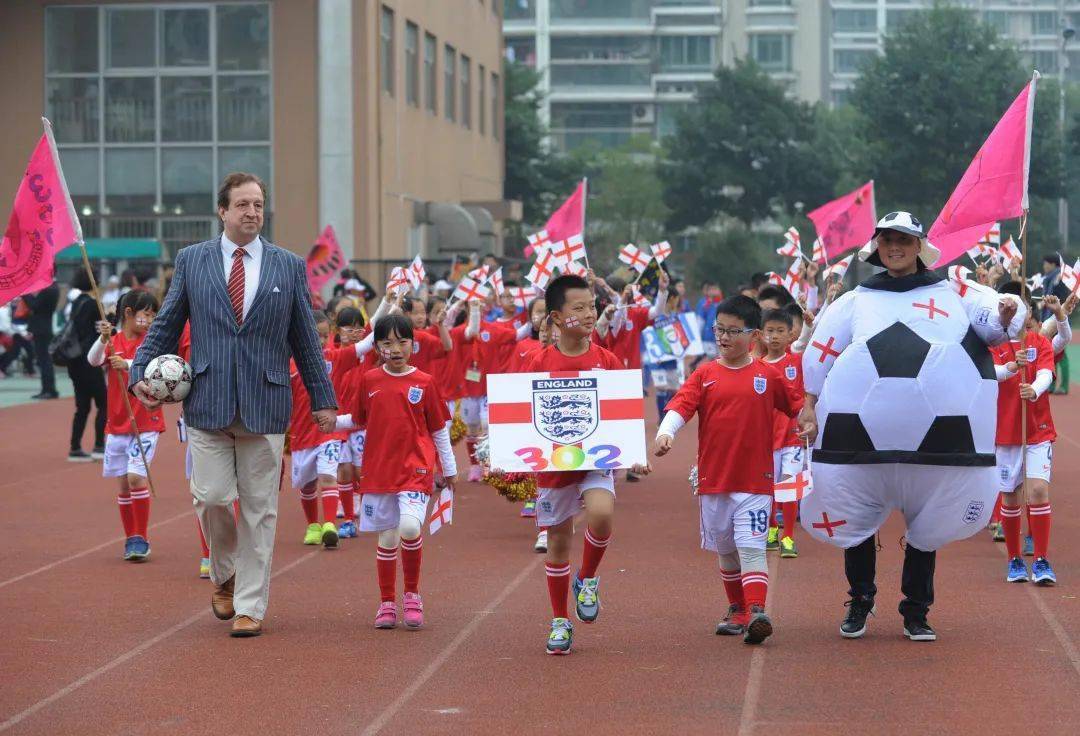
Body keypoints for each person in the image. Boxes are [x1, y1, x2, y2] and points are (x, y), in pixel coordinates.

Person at [799, 212, 1023, 642]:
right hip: (859, 447)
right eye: (887, 240)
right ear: (876, 247)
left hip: (941, 448)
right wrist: (809, 405)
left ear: (920, 245)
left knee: (928, 529)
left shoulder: (954, 291)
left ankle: (916, 610)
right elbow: (820, 351)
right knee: (854, 522)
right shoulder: (856, 299)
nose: (895, 247)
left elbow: (996, 325)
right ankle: (860, 600)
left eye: (904, 239)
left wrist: (1008, 313)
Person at [130, 172, 337, 638]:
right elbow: (165, 326)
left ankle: (249, 606)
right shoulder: (192, 261)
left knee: (260, 510)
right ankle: (224, 573)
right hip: (207, 401)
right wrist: (137, 375)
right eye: (242, 204)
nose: (252, 213)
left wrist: (323, 398)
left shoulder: (287, 265)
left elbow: (305, 338)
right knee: (212, 499)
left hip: (266, 405)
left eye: (259, 205)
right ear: (222, 211)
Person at [653, 296, 798, 645]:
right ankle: (737, 608)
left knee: (750, 547)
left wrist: (809, 421)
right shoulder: (705, 374)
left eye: (733, 331)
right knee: (726, 549)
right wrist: (665, 432)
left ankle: (757, 611)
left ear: (754, 336)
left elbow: (795, 406)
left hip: (755, 481)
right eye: (720, 329)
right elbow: (681, 405)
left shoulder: (768, 375)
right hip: (714, 480)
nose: (724, 336)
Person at [520, 274, 649, 655]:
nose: (589, 314)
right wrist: (508, 453)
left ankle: (588, 578)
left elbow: (621, 414)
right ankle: (560, 620)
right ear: (557, 317)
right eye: (579, 308)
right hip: (555, 463)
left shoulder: (605, 360)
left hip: (596, 460)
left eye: (591, 306)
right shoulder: (538, 362)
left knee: (601, 513)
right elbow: (523, 416)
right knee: (558, 542)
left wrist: (634, 454)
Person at [337, 314, 456, 630]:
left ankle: (412, 595)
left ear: (413, 344)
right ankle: (387, 602)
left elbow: (439, 428)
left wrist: (450, 467)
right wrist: (331, 422)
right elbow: (358, 418)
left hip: (415, 468)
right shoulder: (370, 380)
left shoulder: (425, 382)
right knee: (387, 537)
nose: (395, 348)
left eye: (402, 341)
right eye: (387, 342)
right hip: (379, 471)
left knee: (409, 528)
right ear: (376, 347)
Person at [991, 289, 1064, 585]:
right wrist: (1009, 369)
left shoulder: (1039, 342)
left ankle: (1042, 560)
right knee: (1010, 497)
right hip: (1005, 433)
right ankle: (1014, 560)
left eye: (1018, 309)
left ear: (1029, 315)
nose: (1014, 314)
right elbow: (987, 372)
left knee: (1036, 493)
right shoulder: (993, 345)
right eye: (1006, 310)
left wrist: (1034, 387)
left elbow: (1046, 373)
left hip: (1037, 430)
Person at [88, 291, 163, 561]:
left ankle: (141, 537)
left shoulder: (151, 342)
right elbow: (93, 360)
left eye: (154, 314)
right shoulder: (113, 341)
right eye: (147, 313)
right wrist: (103, 338)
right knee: (122, 485)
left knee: (135, 477)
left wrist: (129, 364)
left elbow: (157, 368)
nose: (151, 319)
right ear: (129, 313)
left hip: (146, 421)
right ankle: (130, 538)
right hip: (118, 423)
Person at [289, 310, 373, 550]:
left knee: (328, 476)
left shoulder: (334, 357)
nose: (320, 341)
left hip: (329, 433)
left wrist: (389, 305)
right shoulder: (291, 364)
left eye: (325, 336)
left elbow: (365, 344)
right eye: (315, 336)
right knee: (306, 485)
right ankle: (313, 525)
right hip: (301, 436)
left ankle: (329, 526)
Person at [760, 307, 804, 559]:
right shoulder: (758, 367)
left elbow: (809, 340)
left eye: (780, 331)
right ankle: (771, 530)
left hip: (792, 437)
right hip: (767, 439)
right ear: (761, 335)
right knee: (768, 488)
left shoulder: (795, 360)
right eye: (770, 331)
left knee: (789, 485)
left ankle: (788, 536)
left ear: (790, 335)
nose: (774, 336)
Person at [66, 270, 107, 461]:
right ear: (94, 282)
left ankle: (75, 447)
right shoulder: (92, 304)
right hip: (89, 360)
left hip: (73, 360)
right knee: (104, 403)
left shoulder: (76, 303)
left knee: (82, 406)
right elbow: (105, 330)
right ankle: (99, 446)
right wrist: (112, 316)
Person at [23, 281, 60, 399]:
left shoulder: (49, 289)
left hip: (41, 329)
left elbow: (34, 305)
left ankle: (49, 390)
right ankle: (47, 389)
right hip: (44, 327)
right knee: (44, 360)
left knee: (44, 361)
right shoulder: (53, 288)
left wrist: (24, 293)